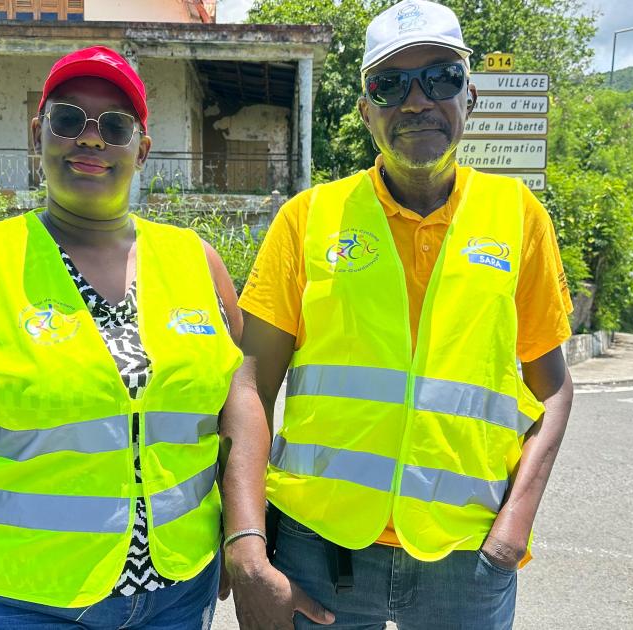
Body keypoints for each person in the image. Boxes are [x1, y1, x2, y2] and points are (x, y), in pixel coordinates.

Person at [0, 46, 271, 630]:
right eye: (68, 119)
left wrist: (243, 539)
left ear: (142, 148)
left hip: (178, 594)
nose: (90, 140)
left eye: (114, 126)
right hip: (17, 600)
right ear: (39, 133)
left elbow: (238, 402)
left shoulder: (196, 261)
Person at [222, 1, 576, 628]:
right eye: (389, 84)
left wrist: (515, 525)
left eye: (439, 78)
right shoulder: (308, 220)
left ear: (470, 96)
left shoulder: (519, 218)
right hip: (318, 548)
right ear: (365, 112)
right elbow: (251, 385)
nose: (415, 101)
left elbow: (553, 391)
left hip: (464, 559)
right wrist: (246, 542)